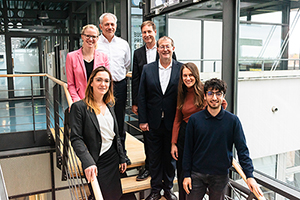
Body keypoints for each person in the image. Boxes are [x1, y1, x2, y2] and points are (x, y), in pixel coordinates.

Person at [182, 78, 263, 200]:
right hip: (197, 174)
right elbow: (187, 149)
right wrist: (186, 175)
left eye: (218, 93)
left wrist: (249, 176)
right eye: (210, 93)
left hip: (220, 175)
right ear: (204, 96)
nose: (214, 98)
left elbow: (242, 150)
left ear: (223, 96)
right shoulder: (194, 120)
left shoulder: (233, 121)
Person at [171, 63, 227, 200]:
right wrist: (173, 143)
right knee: (184, 173)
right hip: (185, 135)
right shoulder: (182, 93)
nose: (188, 78)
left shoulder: (205, 90)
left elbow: (222, 104)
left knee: (198, 174)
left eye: (191, 75)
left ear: (196, 76)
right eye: (185, 75)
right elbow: (177, 119)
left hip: (202, 136)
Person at [70, 67, 127, 200]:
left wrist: (122, 157)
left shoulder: (110, 104)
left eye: (106, 81)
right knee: (99, 195)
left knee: (115, 195)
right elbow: (76, 139)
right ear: (91, 82)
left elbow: (116, 134)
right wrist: (88, 162)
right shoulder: (79, 107)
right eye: (99, 80)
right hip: (95, 159)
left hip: (112, 157)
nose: (103, 84)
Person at [132, 20, 177, 181]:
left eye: (149, 31)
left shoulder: (172, 59)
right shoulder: (138, 54)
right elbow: (136, 80)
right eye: (144, 32)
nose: (147, 35)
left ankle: (167, 182)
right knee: (150, 145)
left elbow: (178, 80)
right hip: (151, 108)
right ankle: (150, 169)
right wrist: (136, 102)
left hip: (169, 113)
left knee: (168, 150)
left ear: (155, 32)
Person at [138, 36, 182, 200]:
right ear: (157, 49)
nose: (165, 49)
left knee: (170, 159)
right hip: (152, 122)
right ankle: (155, 190)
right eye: (161, 47)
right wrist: (142, 120)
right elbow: (142, 96)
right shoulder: (147, 69)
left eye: (168, 46)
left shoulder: (181, 69)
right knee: (155, 158)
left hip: (173, 123)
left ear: (173, 48)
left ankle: (168, 189)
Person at [97, 13, 131, 165]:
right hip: (101, 87)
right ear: (101, 26)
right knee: (102, 120)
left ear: (116, 26)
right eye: (107, 24)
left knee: (119, 119)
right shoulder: (96, 43)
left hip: (120, 85)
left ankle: (122, 153)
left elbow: (126, 64)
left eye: (112, 24)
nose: (110, 27)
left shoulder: (123, 44)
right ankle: (105, 154)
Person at [66, 24, 109, 102]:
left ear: (97, 38)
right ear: (82, 37)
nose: (91, 39)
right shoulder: (71, 56)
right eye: (88, 36)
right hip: (80, 99)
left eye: (94, 36)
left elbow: (107, 80)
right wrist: (76, 100)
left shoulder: (104, 57)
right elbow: (71, 84)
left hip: (99, 100)